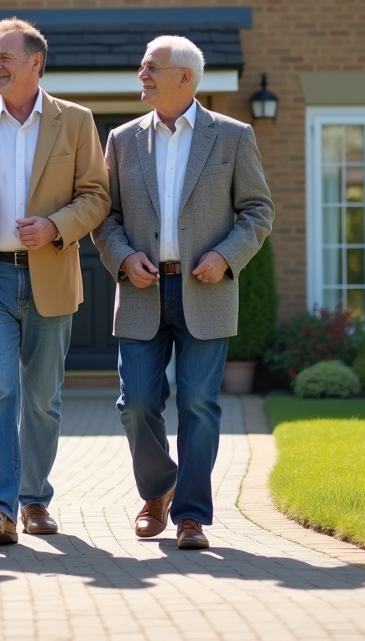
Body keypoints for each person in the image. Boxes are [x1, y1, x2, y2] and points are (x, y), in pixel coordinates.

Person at [0, 18, 110, 545]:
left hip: (50, 277)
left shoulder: (75, 121)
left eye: (5, 57)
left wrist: (56, 226)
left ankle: (34, 500)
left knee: (43, 398)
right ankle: (0, 507)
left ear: (36, 63)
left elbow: (96, 196)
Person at [91, 35, 273, 550]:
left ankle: (191, 516)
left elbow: (258, 211)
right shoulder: (122, 140)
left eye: (151, 68)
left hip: (206, 291)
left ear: (185, 78)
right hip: (143, 291)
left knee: (198, 401)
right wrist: (124, 258)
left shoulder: (233, 137)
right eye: (142, 66)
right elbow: (106, 217)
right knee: (137, 403)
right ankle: (158, 490)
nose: (141, 75)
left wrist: (227, 256)